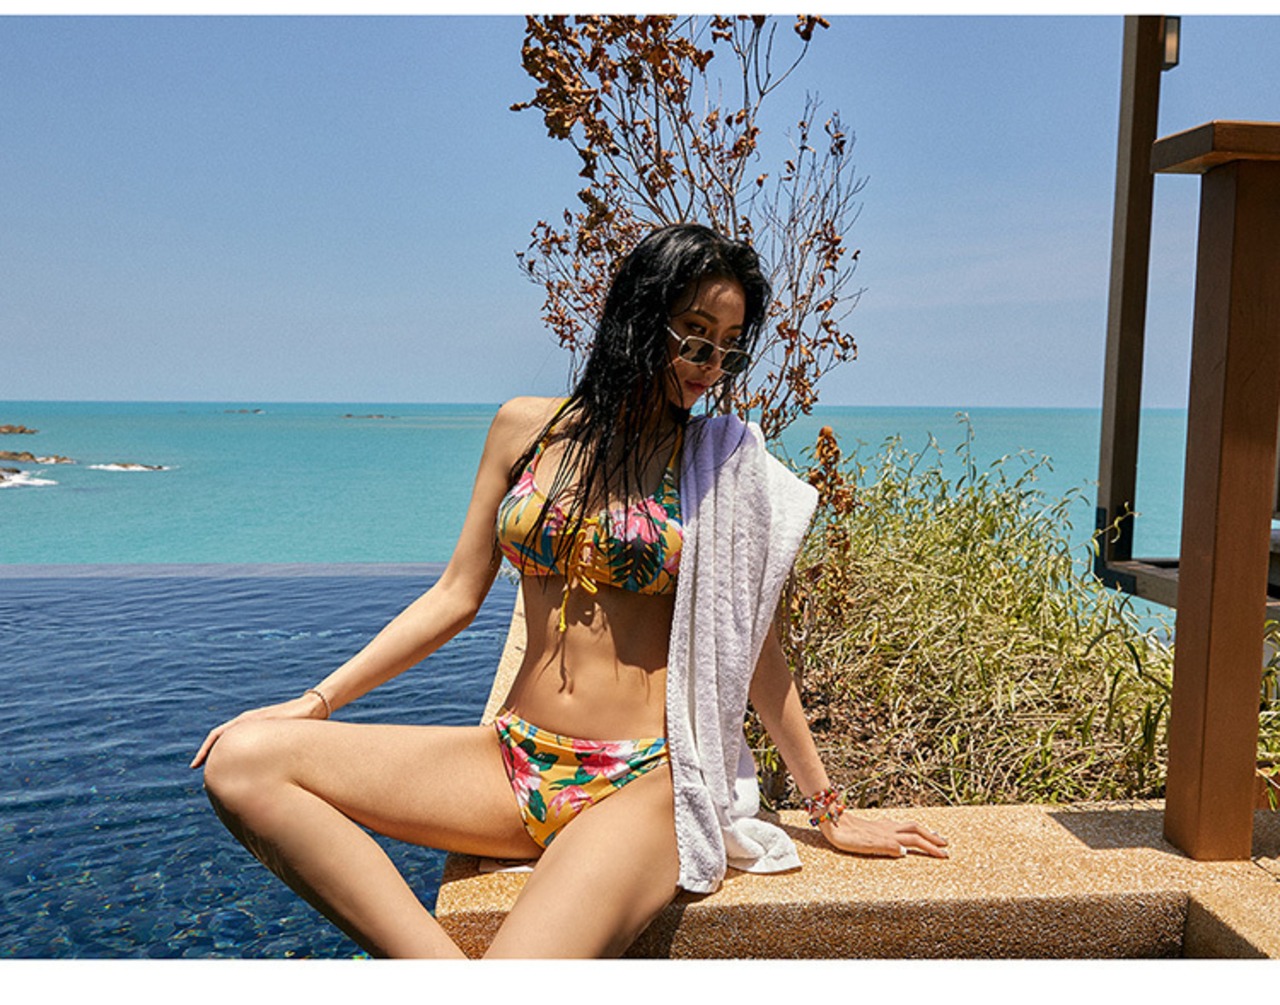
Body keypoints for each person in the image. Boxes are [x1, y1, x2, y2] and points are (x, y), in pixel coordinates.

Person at [190, 222, 949, 959]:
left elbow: (755, 650)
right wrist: (316, 702)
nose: (710, 365)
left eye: (728, 347)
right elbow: (454, 596)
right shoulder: (526, 428)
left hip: (644, 782)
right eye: (694, 336)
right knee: (243, 762)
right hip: (511, 759)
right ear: (638, 317)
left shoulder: (721, 463)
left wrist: (829, 809)